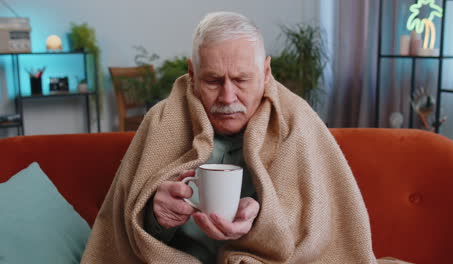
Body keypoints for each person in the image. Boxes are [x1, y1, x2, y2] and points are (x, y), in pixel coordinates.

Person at [81, 12, 378, 264]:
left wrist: (263, 221)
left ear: (265, 72)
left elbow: (319, 231)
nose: (227, 97)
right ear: (192, 73)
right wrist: (156, 219)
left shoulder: (297, 121)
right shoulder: (161, 122)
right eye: (212, 80)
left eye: (241, 80)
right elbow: (124, 233)